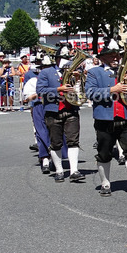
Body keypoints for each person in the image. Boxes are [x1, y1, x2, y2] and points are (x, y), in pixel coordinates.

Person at [86, 40, 127, 197]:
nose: (115, 57)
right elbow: (90, 93)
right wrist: (113, 89)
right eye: (111, 55)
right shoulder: (94, 72)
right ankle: (105, 183)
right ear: (103, 58)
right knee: (104, 153)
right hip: (104, 119)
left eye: (117, 55)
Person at [37, 45, 84, 183]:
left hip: (71, 109)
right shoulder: (46, 72)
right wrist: (59, 89)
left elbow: (82, 89)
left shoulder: (74, 72)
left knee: (73, 141)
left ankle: (74, 170)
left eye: (68, 58)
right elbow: (40, 90)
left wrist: (79, 80)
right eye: (63, 58)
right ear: (57, 59)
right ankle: (59, 170)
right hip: (53, 111)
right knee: (56, 142)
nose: (66, 60)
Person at [22, 54, 53, 174]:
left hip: (53, 106)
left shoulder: (56, 79)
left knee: (55, 132)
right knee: (41, 133)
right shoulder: (33, 80)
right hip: (39, 106)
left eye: (49, 67)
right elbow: (27, 98)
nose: (47, 70)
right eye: (44, 67)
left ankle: (55, 159)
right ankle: (45, 159)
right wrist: (38, 94)